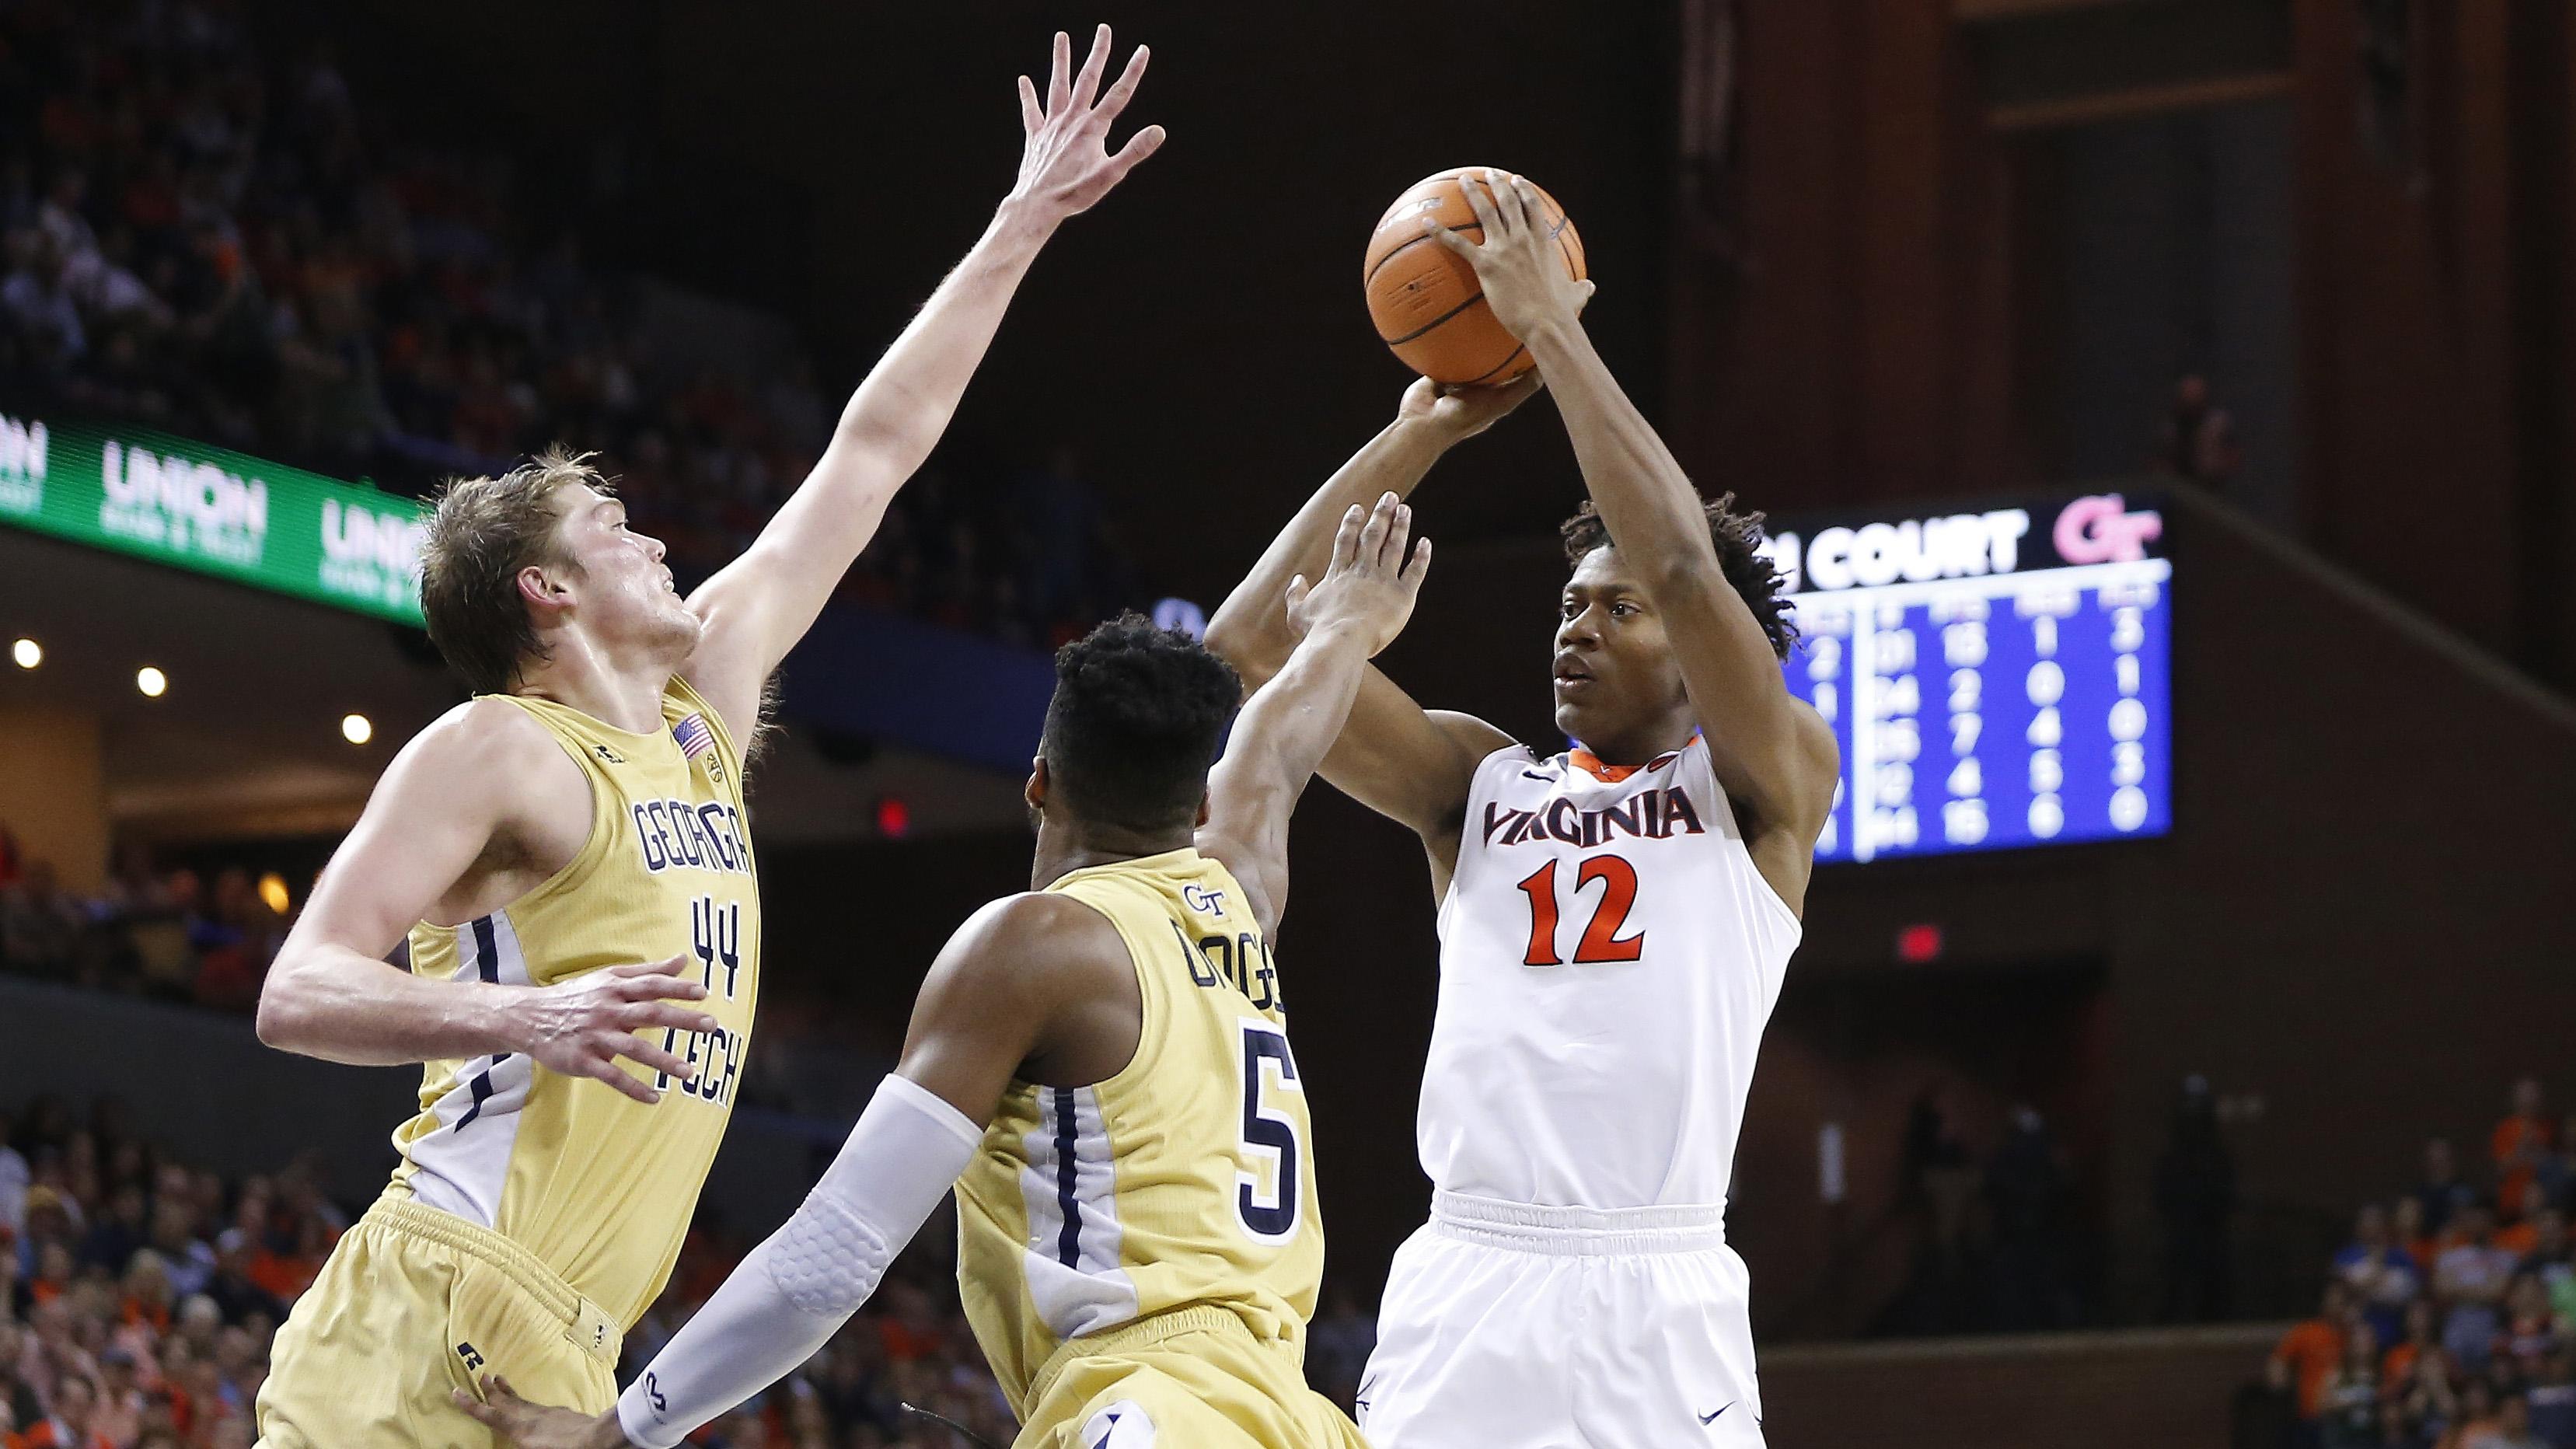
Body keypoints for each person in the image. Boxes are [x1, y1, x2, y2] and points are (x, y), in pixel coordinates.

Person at [245, 26, 1163, 1445]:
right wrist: (525, 1011)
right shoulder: (498, 746)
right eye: (614, 528)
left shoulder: (694, 720)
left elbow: (870, 452)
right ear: (545, 591)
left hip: (568, 1348)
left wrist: (1016, 223)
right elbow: (296, 988)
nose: (660, 537)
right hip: (429, 1303)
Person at [459, 491, 1429, 1447]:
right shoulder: (1241, 895)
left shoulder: (1033, 945)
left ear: (1038, 779)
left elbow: (834, 1254)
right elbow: (1279, 747)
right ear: (1191, 800)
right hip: (1292, 1412)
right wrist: (1345, 625)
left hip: (1149, 1406)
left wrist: (614, 1433)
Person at [1206, 169, 1838, 1446]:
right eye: (1565, 603)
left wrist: (1552, 328)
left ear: (1706, 648)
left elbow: (1675, 554)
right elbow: (1255, 640)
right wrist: (1424, 428)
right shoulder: (1472, 784)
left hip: (1657, 1280)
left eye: (1617, 609)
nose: (1577, 625)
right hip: (1470, 1268)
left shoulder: (1762, 789)